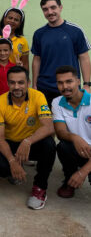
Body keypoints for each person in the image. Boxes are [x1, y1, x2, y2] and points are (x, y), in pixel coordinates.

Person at [0, 66, 56, 210]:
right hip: (11, 143)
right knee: (0, 167)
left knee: (49, 145)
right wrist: (12, 161)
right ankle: (16, 167)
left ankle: (40, 188)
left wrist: (28, 141)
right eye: (12, 82)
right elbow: (0, 138)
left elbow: (49, 127)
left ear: (28, 82)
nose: (16, 87)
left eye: (21, 82)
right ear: (8, 83)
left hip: (32, 142)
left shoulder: (38, 96)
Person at [32, 0, 91, 106]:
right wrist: (34, 85)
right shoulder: (39, 34)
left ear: (60, 7)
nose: (49, 12)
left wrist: (87, 84)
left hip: (70, 88)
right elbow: (37, 60)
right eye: (45, 9)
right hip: (44, 88)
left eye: (53, 7)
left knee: (71, 117)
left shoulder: (75, 31)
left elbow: (84, 58)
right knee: (47, 118)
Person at [52, 65, 91, 198]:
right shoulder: (57, 102)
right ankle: (69, 179)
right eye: (60, 83)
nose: (65, 87)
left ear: (78, 81)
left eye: (69, 81)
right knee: (63, 146)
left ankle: (80, 174)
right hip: (76, 149)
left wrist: (83, 172)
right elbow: (60, 132)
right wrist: (75, 138)